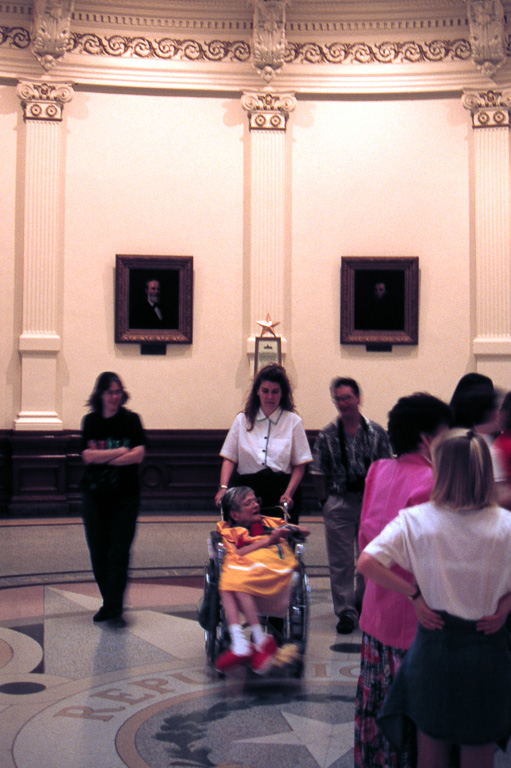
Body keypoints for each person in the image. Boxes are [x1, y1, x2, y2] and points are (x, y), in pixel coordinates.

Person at [358, 429, 511, 768]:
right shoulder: (505, 525)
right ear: (485, 471)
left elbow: (366, 562)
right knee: (477, 750)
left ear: (441, 470)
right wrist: (505, 605)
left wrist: (413, 594)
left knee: (432, 747)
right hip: (484, 647)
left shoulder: (417, 520)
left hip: (435, 645)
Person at [354, 392, 452, 768]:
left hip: (376, 606)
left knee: (376, 704)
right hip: (414, 614)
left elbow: (366, 541)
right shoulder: (430, 482)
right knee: (413, 714)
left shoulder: (379, 469)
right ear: (428, 438)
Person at [311, 376, 391, 634]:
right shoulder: (327, 434)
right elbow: (318, 470)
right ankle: (345, 611)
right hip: (339, 501)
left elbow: (387, 468)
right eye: (338, 399)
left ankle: (363, 602)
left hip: (371, 503)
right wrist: (326, 502)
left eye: (347, 397)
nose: (343, 403)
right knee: (340, 560)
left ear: (358, 398)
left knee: (369, 556)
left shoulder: (377, 432)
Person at [214, 486, 310, 674]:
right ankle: (251, 641)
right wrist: (267, 540)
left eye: (255, 501)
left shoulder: (272, 522)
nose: (255, 505)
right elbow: (238, 553)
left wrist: (290, 529)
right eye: (247, 503)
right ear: (235, 515)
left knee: (232, 581)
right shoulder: (230, 532)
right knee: (227, 581)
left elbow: (305, 532)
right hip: (247, 567)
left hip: (275, 568)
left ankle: (248, 642)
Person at [80, 372, 146, 625]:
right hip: (94, 497)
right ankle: (109, 602)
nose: (115, 397)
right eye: (110, 392)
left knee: (119, 552)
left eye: (118, 391)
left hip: (125, 497)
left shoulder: (131, 420)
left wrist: (103, 456)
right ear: (100, 394)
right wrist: (120, 451)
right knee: (98, 551)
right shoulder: (91, 421)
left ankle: (114, 606)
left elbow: (138, 455)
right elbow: (86, 456)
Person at [215, 364, 312, 524]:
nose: (270, 397)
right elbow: (229, 458)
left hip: (281, 489)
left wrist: (288, 493)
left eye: (275, 392)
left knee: (280, 542)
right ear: (257, 392)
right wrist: (223, 487)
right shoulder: (242, 420)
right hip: (247, 490)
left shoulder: (293, 422)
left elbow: (299, 465)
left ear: (282, 394)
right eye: (265, 391)